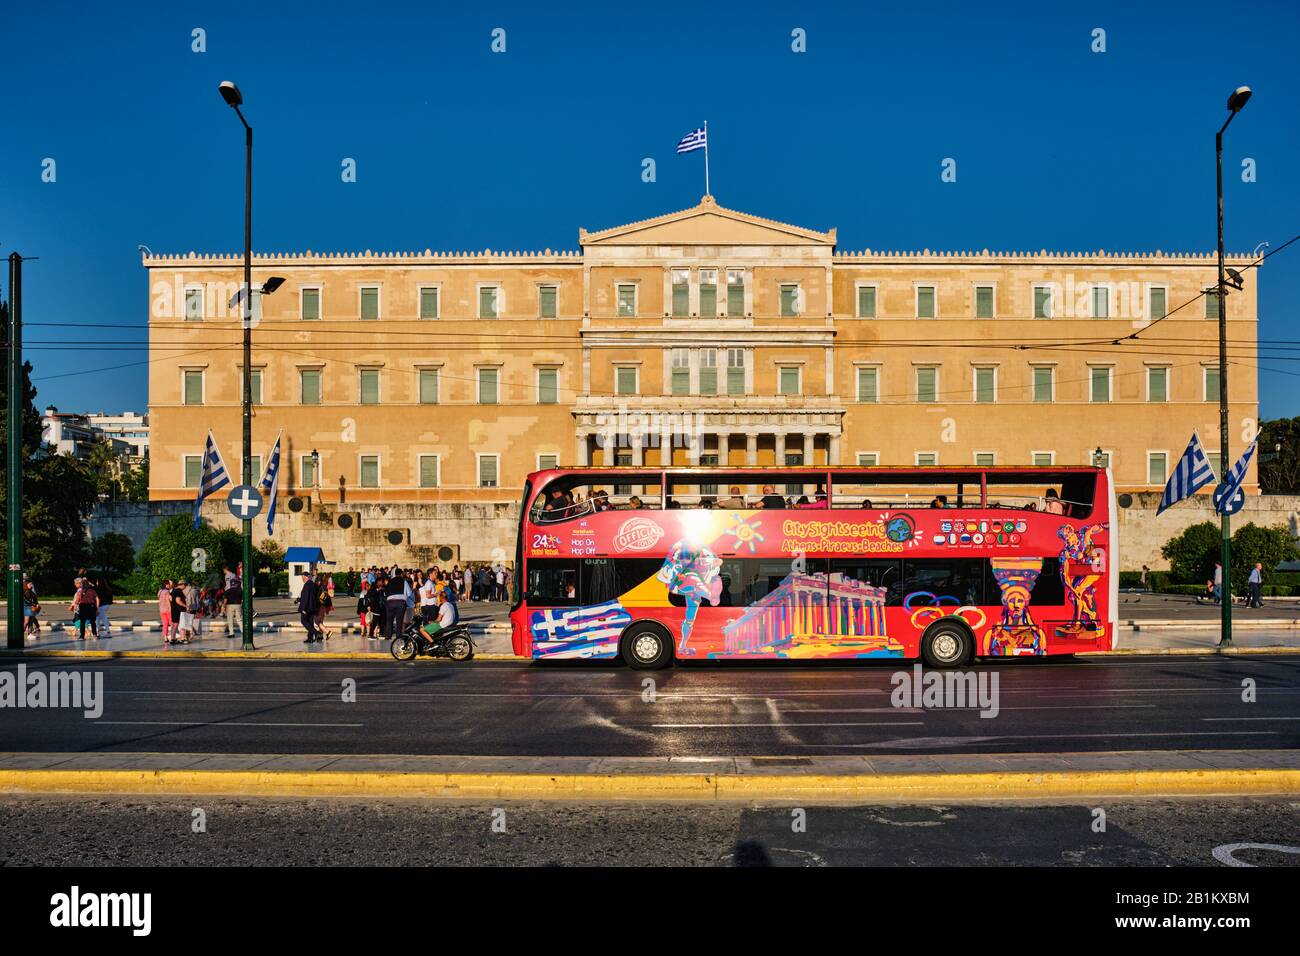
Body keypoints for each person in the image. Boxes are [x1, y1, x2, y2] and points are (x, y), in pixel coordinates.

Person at [384, 570, 411, 639]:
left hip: (390, 602)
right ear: (401, 574)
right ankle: (398, 635)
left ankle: (388, 636)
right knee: (399, 620)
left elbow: (385, 592)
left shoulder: (390, 581)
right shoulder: (404, 581)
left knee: (389, 619)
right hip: (400, 602)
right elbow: (409, 593)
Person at [298, 572, 322, 643]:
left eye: (302, 577)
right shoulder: (313, 584)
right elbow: (313, 596)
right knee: (310, 622)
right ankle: (310, 638)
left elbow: (306, 597)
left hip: (307, 608)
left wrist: (303, 608)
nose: (302, 579)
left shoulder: (306, 585)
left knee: (304, 621)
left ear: (305, 577)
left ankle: (317, 633)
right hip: (313, 607)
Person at [172, 579, 193, 643]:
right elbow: (178, 600)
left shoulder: (173, 590)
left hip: (174, 609)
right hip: (179, 610)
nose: (185, 587)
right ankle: (183, 639)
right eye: (185, 585)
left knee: (175, 625)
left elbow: (169, 598)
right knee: (182, 625)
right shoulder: (179, 591)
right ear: (183, 584)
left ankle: (173, 639)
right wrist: (186, 606)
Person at [224, 570, 243, 636]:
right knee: (239, 619)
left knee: (230, 619)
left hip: (230, 605)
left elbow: (225, 599)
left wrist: (224, 606)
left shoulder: (228, 591)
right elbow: (242, 599)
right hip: (238, 605)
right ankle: (243, 631)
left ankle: (231, 633)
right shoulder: (240, 591)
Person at [158, 579, 174, 643]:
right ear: (167, 584)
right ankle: (173, 637)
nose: (170, 585)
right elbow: (169, 600)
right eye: (169, 584)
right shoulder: (167, 592)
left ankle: (165, 637)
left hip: (161, 610)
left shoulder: (160, 591)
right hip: (168, 610)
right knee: (172, 623)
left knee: (165, 624)